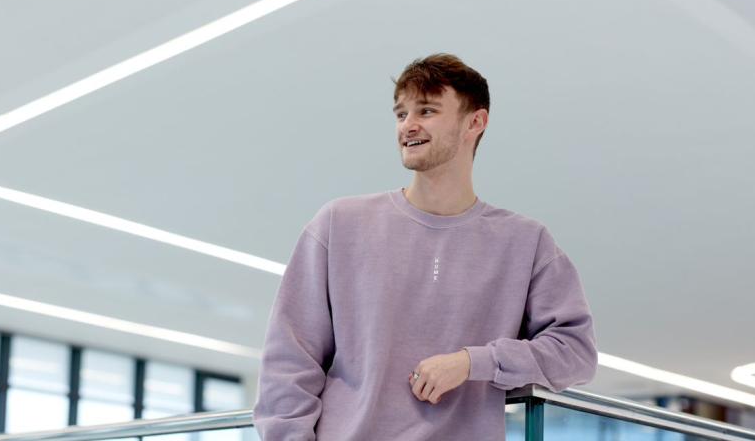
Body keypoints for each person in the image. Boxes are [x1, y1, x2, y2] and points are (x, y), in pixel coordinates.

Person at [252, 53, 598, 440]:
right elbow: (288, 363)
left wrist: (473, 362)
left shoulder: (526, 242)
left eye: (427, 110)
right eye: (401, 114)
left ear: (475, 122)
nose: (408, 126)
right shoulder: (339, 224)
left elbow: (576, 354)